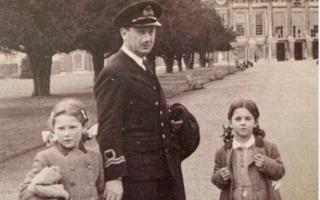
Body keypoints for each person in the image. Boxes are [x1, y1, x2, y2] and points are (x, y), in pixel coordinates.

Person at [94, 1, 200, 200]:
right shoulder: (114, 71)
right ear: (124, 33)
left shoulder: (143, 65)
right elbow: (109, 127)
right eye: (141, 31)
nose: (148, 38)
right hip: (137, 177)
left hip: (162, 170)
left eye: (151, 32)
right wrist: (113, 176)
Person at [19, 98, 105, 200]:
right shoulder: (46, 157)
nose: (67, 134)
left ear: (83, 127)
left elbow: (101, 191)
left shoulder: (95, 156)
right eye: (61, 128)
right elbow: (24, 192)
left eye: (72, 127)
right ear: (53, 129)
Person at [211, 99, 285, 200]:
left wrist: (266, 163)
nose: (243, 123)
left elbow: (279, 172)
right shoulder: (223, 152)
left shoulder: (268, 147)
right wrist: (221, 176)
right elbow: (216, 180)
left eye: (248, 118)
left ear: (255, 122)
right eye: (238, 119)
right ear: (230, 123)